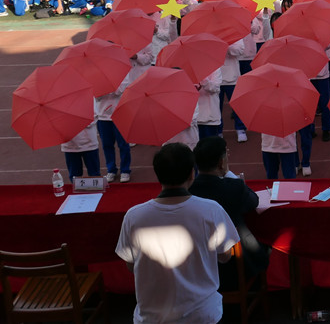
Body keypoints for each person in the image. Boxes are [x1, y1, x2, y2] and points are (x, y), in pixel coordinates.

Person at [116, 143, 239, 324]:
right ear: (192, 173)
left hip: (151, 318)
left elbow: (130, 264)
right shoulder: (211, 210)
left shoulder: (134, 216)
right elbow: (225, 256)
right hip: (203, 316)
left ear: (158, 175)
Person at [189, 137, 271, 283]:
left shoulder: (189, 191)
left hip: (199, 267)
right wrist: (228, 173)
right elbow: (254, 201)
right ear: (221, 162)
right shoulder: (234, 188)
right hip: (234, 266)